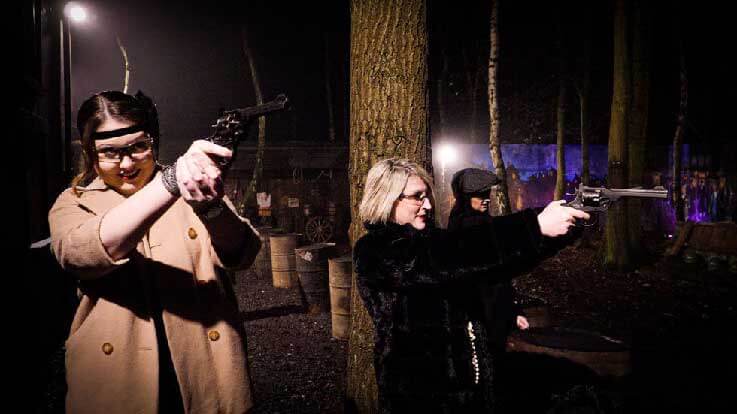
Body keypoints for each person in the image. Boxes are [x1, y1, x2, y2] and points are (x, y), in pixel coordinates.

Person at [48, 90, 261, 413]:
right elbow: (83, 254)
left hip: (204, 368)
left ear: (153, 141)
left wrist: (212, 209)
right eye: (110, 152)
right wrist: (171, 181)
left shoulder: (188, 186)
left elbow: (242, 254)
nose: (127, 163)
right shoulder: (73, 202)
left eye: (138, 146)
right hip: (116, 379)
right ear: (90, 153)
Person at [353, 158, 588, 413]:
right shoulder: (375, 251)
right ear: (388, 198)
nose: (428, 205)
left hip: (469, 388)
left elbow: (492, 263)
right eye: (417, 197)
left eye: (427, 196)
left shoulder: (430, 241)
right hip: (420, 395)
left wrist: (561, 228)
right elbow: (454, 255)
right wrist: (534, 226)